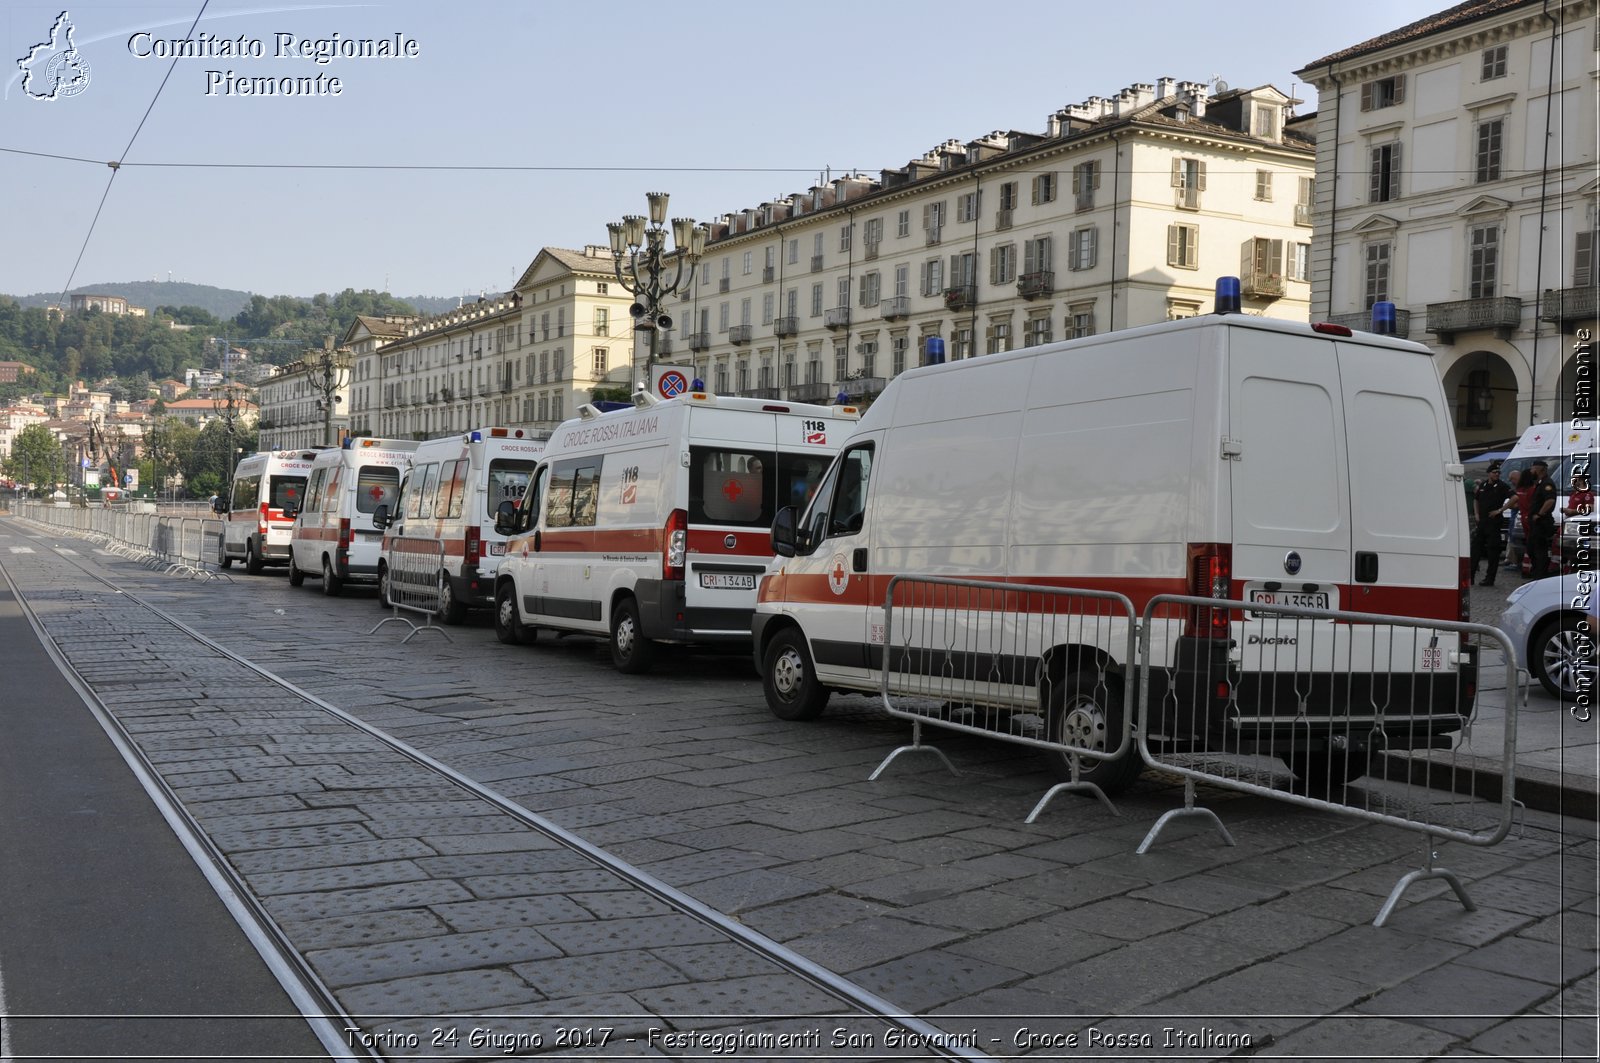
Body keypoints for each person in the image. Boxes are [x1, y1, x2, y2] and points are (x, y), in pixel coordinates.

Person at [1470, 463, 1514, 585]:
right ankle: (1471, 576)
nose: (1497, 474)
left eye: (1498, 473)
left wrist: (1500, 510)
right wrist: (1477, 514)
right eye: (1494, 472)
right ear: (1489, 473)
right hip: (1482, 522)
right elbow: (1476, 499)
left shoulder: (1502, 486)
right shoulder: (1483, 485)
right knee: (1476, 549)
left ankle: (1490, 578)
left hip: (1494, 523)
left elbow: (1514, 498)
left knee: (1493, 552)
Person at [1527, 459, 1559, 579]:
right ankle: (1536, 575)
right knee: (1531, 549)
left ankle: (1540, 577)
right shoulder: (1540, 483)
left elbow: (1550, 500)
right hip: (1536, 523)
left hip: (1541, 522)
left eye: (1533, 468)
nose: (1531, 471)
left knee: (1539, 551)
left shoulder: (1547, 483)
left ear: (1539, 469)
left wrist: (1539, 514)